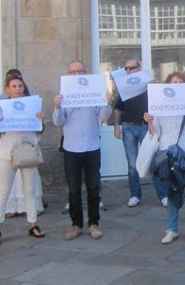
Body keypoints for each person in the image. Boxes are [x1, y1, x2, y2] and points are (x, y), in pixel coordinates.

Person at [54, 60, 113, 240]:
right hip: (71, 147)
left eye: (80, 71)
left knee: (93, 187)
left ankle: (94, 223)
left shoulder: (93, 92)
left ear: (85, 73)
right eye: (73, 72)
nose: (77, 74)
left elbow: (103, 116)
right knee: (73, 189)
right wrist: (57, 106)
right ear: (68, 74)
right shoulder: (64, 95)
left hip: (91, 145)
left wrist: (106, 102)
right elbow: (58, 121)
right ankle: (76, 224)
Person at [146, 72, 185, 245]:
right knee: (171, 191)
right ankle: (171, 229)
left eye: (181, 82)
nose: (178, 84)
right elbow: (153, 133)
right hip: (167, 154)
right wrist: (149, 121)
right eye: (174, 82)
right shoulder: (160, 105)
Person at [0, 73, 47, 245]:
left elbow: (39, 130)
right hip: (7, 151)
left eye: (20, 86)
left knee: (29, 189)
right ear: (7, 89)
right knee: (3, 191)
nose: (17, 89)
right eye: (13, 86)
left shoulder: (32, 104)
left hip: (27, 149)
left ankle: (33, 223)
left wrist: (41, 121)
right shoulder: (2, 107)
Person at [113, 59, 168, 208]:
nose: (129, 71)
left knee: (153, 161)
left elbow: (164, 99)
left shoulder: (149, 85)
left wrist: (158, 85)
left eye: (132, 68)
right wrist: (116, 126)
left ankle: (163, 195)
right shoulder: (125, 89)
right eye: (126, 69)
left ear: (140, 69)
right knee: (132, 164)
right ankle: (135, 194)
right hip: (128, 127)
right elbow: (118, 109)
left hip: (146, 126)